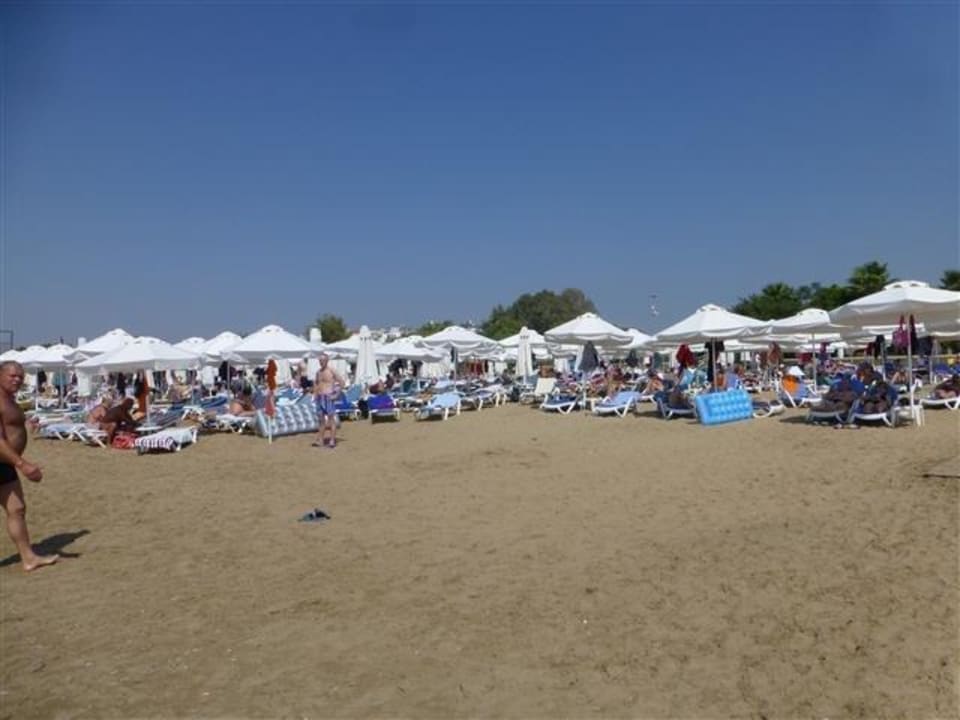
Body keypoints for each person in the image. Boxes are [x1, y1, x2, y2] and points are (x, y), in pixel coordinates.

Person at [0, 361, 58, 572]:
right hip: (8, 461)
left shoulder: (10, 399)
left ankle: (28, 558)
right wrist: (22, 464)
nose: (17, 379)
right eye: (12, 375)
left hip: (5, 465)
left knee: (17, 509)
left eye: (20, 377)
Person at [313, 353, 345, 449]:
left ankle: (332, 440)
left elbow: (342, 382)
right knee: (321, 420)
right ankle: (321, 440)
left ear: (327, 361)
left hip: (328, 397)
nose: (321, 362)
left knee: (331, 420)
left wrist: (336, 394)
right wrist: (314, 395)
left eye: (323, 360)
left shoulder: (331, 371)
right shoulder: (318, 372)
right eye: (320, 361)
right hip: (320, 397)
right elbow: (316, 384)